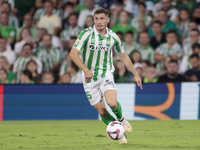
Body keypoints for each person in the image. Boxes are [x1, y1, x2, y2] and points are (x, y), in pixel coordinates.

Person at [69, 7, 142, 144]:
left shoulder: (113, 37)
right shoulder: (86, 34)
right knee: (102, 112)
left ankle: (121, 120)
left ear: (108, 20)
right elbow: (73, 54)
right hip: (89, 78)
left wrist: (136, 74)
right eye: (96, 19)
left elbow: (123, 56)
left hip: (106, 74)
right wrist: (85, 70)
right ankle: (121, 134)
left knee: (112, 103)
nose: (99, 22)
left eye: (102, 18)